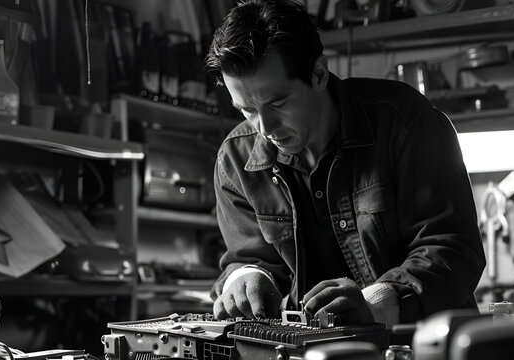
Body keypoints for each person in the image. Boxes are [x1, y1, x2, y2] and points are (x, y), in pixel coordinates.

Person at [204, 0, 485, 326]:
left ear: (319, 73)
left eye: (278, 102)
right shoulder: (236, 158)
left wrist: (377, 303)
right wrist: (246, 277)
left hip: (424, 344)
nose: (264, 128)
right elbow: (248, 257)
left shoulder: (405, 122)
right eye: (246, 109)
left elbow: (452, 250)